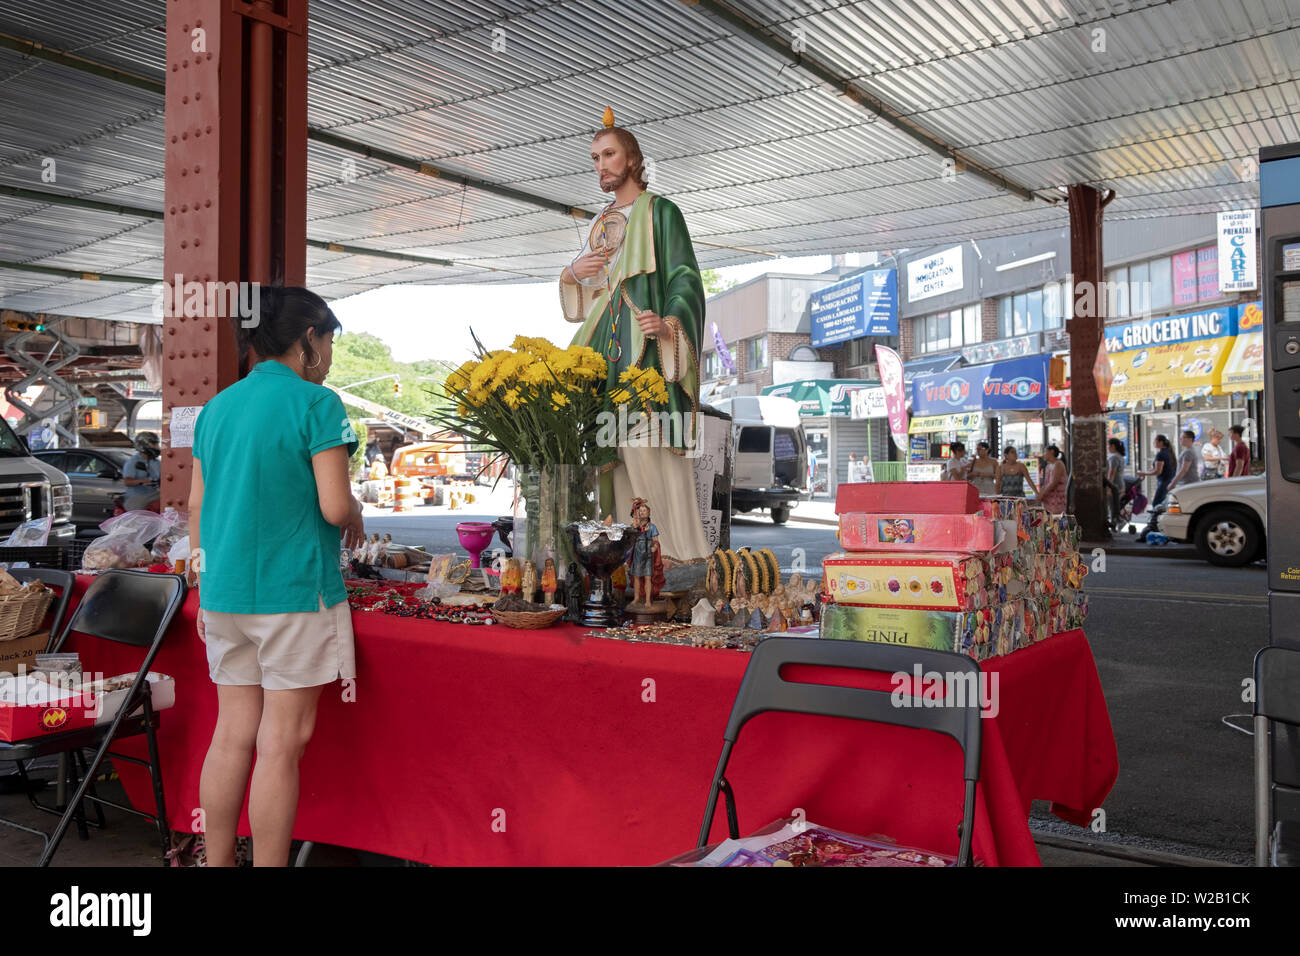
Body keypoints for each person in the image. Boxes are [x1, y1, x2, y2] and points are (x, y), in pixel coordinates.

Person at [189, 286, 365, 867]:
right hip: (294, 596)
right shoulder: (318, 404)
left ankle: (216, 863)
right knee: (280, 744)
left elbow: (196, 507)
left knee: (232, 732)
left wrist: (202, 578)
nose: (331, 356)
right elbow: (335, 509)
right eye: (331, 341)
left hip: (224, 594)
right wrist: (357, 506)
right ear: (307, 340)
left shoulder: (217, 407)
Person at [560, 108, 710, 566]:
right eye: (594, 158)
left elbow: (685, 277)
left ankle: (679, 561)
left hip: (647, 362)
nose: (601, 165)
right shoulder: (603, 223)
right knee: (618, 465)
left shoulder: (660, 212)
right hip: (609, 362)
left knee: (654, 459)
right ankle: (625, 565)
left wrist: (670, 325)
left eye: (609, 154)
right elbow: (594, 299)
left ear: (631, 159)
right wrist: (572, 274)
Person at [122, 431, 162, 513]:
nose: (156, 447)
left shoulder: (156, 462)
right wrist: (142, 481)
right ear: (143, 445)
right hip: (137, 496)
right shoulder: (133, 462)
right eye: (154, 444)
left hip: (153, 495)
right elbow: (127, 482)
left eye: (157, 444)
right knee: (139, 517)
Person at [1138, 434, 1176, 509]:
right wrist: (1145, 472)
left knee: (1156, 503)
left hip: (1164, 482)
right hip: (1169, 481)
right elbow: (1154, 468)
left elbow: (1157, 471)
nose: (1153, 443)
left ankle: (1156, 519)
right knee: (1163, 503)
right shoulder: (1168, 452)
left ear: (1161, 442)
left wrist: (1143, 473)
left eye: (1155, 441)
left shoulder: (1161, 454)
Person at [1038, 444, 1069, 513]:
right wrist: (1041, 493)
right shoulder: (1048, 466)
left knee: (1056, 521)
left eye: (1045, 452)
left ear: (1051, 452)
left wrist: (1042, 494)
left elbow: (1054, 482)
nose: (1044, 455)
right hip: (1048, 499)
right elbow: (1046, 483)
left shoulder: (1058, 464)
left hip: (1057, 499)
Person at [1105, 438, 1126, 531]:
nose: (1107, 447)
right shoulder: (1119, 456)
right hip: (1120, 485)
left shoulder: (1113, 457)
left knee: (1112, 506)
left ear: (1113, 446)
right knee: (1114, 506)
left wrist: (1109, 487)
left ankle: (1119, 521)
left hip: (1115, 485)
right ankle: (1115, 525)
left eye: (1108, 445)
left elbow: (1112, 473)